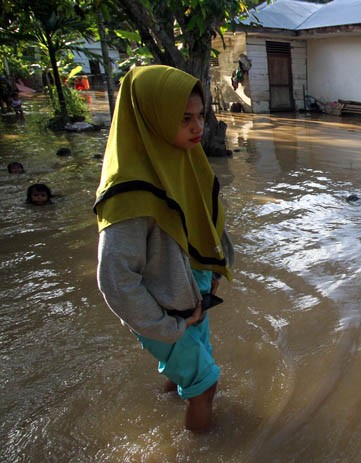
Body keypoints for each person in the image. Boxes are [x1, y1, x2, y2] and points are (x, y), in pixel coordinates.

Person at [94, 65, 234, 433]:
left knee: (189, 372)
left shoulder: (186, 164)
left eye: (200, 115)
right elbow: (115, 279)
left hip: (194, 295)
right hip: (166, 311)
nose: (198, 127)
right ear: (152, 118)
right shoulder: (130, 194)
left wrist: (216, 272)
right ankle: (201, 450)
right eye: (183, 118)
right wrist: (164, 326)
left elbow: (210, 222)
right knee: (206, 387)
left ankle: (168, 401)